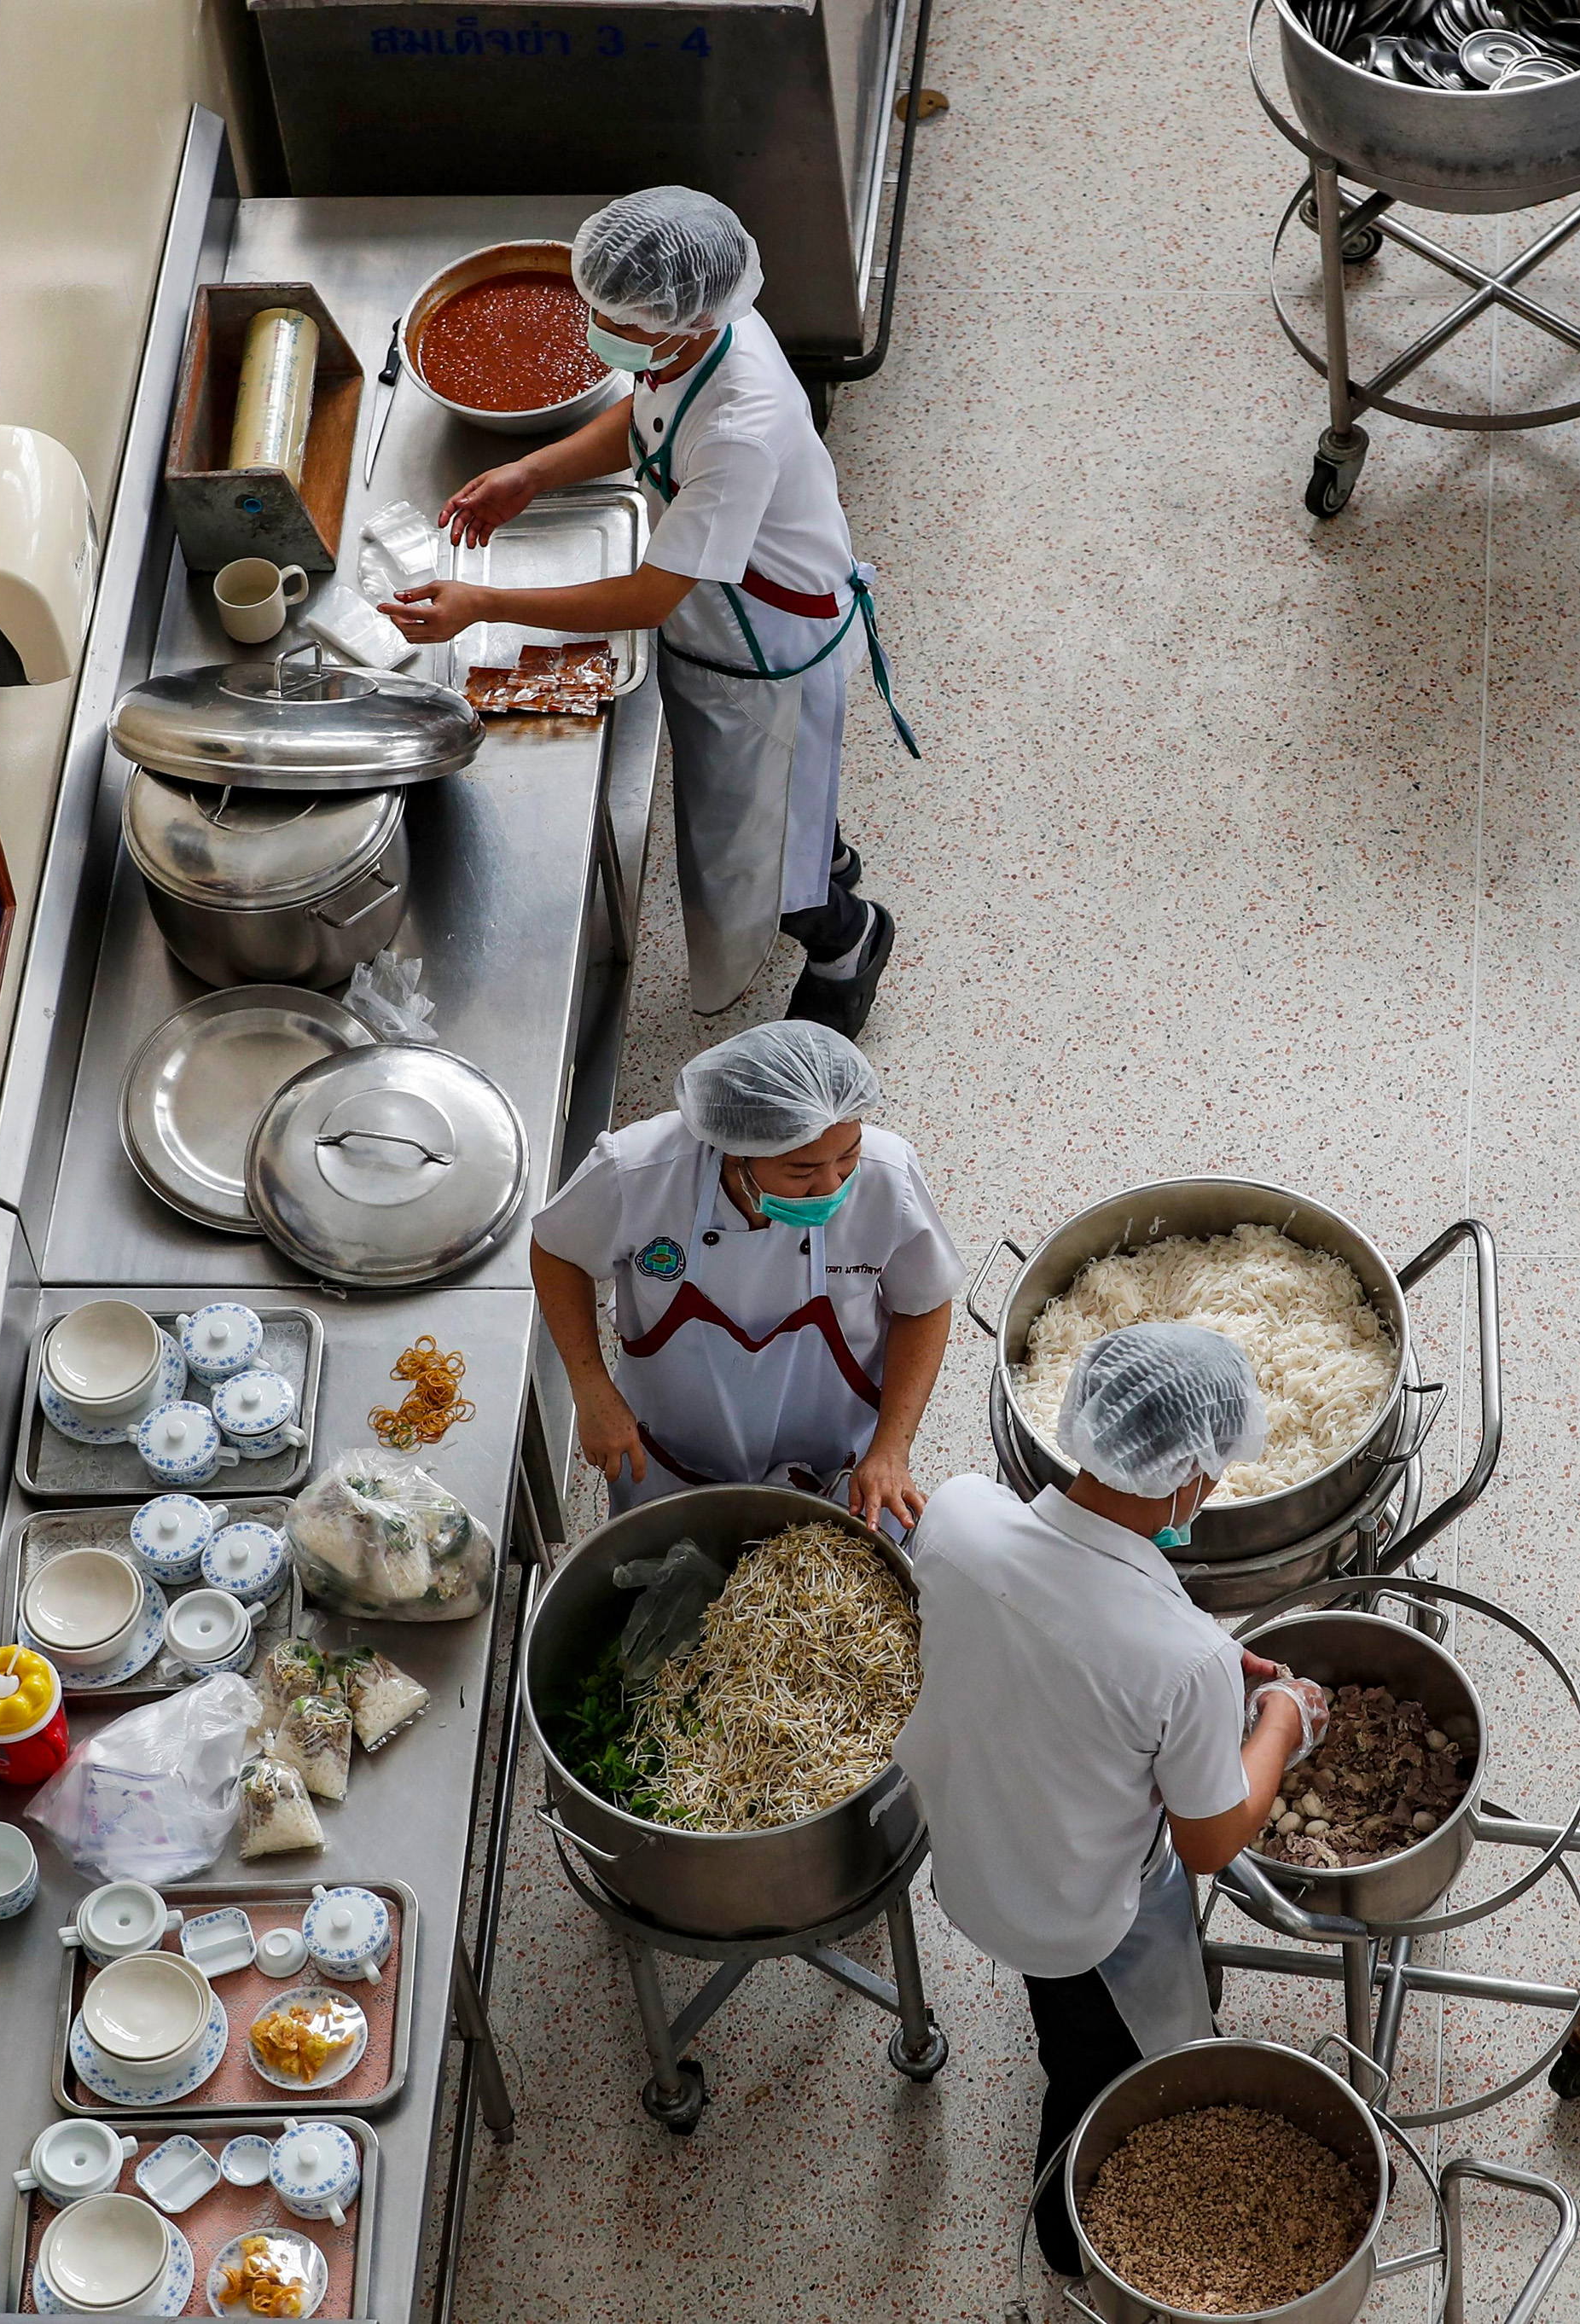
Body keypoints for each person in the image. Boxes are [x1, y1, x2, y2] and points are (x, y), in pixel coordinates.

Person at [381, 185, 913, 1036]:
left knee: (755, 862)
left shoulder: (743, 426)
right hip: (718, 631)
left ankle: (846, 938)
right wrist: (535, 473)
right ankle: (823, 849)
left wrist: (481, 601)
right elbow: (650, 415)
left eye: (609, 318)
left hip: (765, 655)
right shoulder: (702, 338)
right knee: (761, 810)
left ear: (676, 318)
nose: (591, 329)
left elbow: (647, 594)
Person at [894, 1324, 1333, 2280]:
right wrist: (1281, 1723)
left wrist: (1211, 1679)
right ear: (1192, 1481)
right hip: (1075, 1917)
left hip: (969, 1848)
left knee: (1054, 1996)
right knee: (1088, 2063)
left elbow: (1053, 1638)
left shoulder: (961, 1513)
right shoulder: (1183, 1661)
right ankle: (1064, 2232)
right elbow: (1211, 1838)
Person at [526, 1020, 956, 1531]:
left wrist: (890, 1449)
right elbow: (556, 1251)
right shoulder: (639, 1171)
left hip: (838, 1466)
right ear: (736, 1152)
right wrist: (591, 1388)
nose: (832, 1186)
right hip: (670, 1457)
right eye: (802, 1172)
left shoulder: (889, 1178)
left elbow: (924, 1303)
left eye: (848, 1156)